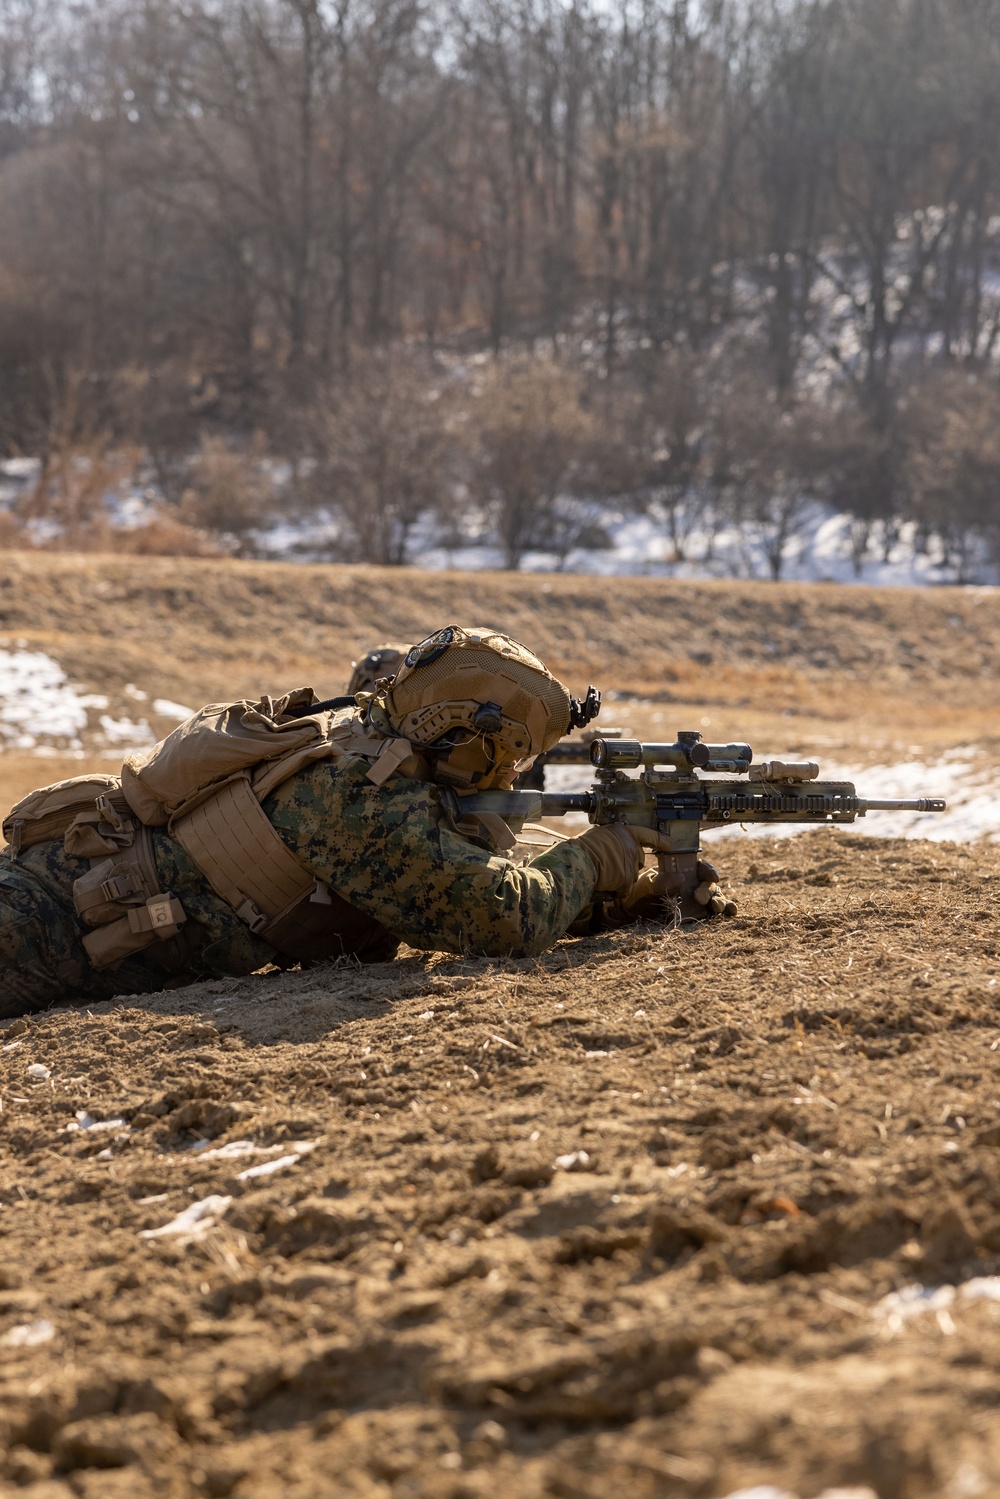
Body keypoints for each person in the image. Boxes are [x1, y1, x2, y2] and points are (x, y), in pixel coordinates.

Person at [0, 626, 708, 1017]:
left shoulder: (370, 742)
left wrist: (609, 902)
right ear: (465, 735)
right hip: (43, 918)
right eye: (509, 756)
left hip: (78, 918)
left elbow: (436, 884)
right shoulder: (361, 794)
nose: (511, 777)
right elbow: (495, 917)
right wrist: (598, 861)